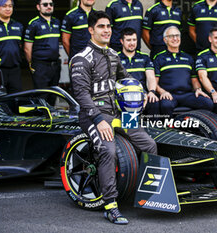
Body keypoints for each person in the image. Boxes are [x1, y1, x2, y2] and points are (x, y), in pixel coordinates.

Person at [69, 11, 157, 225]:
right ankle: (110, 206)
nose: (107, 30)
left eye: (108, 26)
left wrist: (140, 92)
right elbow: (81, 95)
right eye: (101, 26)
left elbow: (126, 79)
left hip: (118, 114)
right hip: (93, 116)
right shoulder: (81, 59)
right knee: (108, 150)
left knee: (150, 145)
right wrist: (98, 119)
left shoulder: (113, 55)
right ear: (91, 30)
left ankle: (147, 194)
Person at [154, 26, 217, 117]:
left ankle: (196, 129)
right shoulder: (159, 58)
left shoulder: (188, 58)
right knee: (166, 105)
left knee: (207, 103)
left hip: (187, 95)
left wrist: (198, 89)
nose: (175, 38)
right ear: (165, 40)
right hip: (169, 95)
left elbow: (194, 79)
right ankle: (169, 130)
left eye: (177, 35)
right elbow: (154, 82)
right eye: (171, 36)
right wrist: (162, 92)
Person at [118, 28, 159, 115]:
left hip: (142, 95)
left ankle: (153, 128)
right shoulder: (116, 58)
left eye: (134, 40)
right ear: (122, 41)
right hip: (123, 96)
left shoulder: (145, 58)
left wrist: (151, 92)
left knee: (154, 102)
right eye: (128, 40)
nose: (132, 43)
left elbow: (151, 77)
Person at [24, 0, 61, 89]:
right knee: (41, 95)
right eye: (45, 4)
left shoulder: (57, 22)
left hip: (55, 65)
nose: (48, 6)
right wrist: (31, 65)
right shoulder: (33, 24)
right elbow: (27, 48)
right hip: (40, 66)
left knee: (53, 94)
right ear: (38, 7)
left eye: (51, 4)